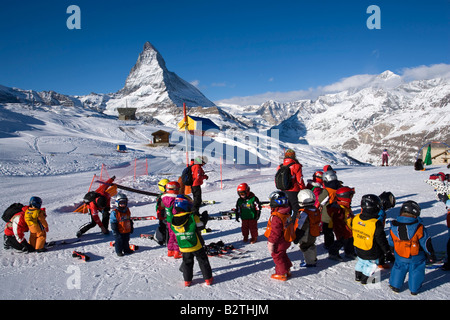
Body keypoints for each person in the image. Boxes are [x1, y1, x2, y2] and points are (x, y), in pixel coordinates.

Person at [388, 200, 436, 294]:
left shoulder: (394, 226)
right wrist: (430, 254)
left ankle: (395, 285)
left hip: (400, 254)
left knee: (398, 268)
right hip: (416, 256)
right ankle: (414, 289)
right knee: (416, 271)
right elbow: (426, 243)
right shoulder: (419, 228)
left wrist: (392, 249)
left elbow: (391, 240)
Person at [170, 194, 213, 287]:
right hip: (196, 245)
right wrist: (204, 218)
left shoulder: (173, 220)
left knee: (187, 263)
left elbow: (175, 229)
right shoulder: (192, 217)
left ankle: (187, 281)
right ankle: (208, 279)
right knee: (203, 261)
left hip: (184, 246)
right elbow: (200, 226)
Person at [352, 194, 394, 285]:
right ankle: (365, 279)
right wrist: (387, 251)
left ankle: (358, 276)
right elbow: (381, 240)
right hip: (371, 251)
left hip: (358, 247)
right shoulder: (375, 223)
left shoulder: (356, 218)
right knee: (370, 265)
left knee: (361, 261)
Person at [265, 191, 295, 281]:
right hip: (286, 239)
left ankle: (281, 273)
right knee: (283, 254)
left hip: (279, 241)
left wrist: (271, 242)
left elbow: (275, 232)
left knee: (277, 256)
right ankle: (287, 269)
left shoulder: (277, 216)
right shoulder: (286, 213)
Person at [328, 187, 356, 261]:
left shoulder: (346, 205)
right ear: (345, 197)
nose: (352, 197)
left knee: (350, 239)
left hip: (348, 227)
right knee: (341, 241)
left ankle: (349, 252)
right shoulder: (339, 208)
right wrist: (342, 229)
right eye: (350, 195)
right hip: (342, 228)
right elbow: (338, 220)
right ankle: (333, 253)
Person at [295, 189, 321, 267]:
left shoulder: (304, 213)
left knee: (305, 246)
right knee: (311, 245)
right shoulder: (315, 210)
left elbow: (301, 226)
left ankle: (310, 262)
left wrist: (296, 237)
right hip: (314, 232)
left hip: (306, 234)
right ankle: (313, 259)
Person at [276, 149, 305, 217]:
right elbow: (299, 180)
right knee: (297, 210)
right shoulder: (297, 166)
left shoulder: (280, 166)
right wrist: (303, 189)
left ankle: (286, 226)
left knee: (286, 210)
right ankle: (294, 226)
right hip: (293, 191)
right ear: (294, 156)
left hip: (283, 191)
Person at [161, 181, 182, 259]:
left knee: (171, 235)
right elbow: (175, 210)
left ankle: (170, 250)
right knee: (177, 235)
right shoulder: (174, 199)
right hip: (175, 219)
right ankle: (177, 251)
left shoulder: (165, 198)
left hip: (169, 219)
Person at [322, 170, 341, 250]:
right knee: (339, 228)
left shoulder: (326, 190)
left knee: (327, 231)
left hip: (327, 215)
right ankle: (341, 242)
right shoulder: (340, 187)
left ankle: (329, 244)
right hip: (339, 212)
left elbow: (321, 201)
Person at [155, 178, 169, 245]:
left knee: (164, 227)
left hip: (163, 215)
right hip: (163, 215)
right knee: (165, 227)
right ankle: (164, 239)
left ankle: (162, 238)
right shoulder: (163, 196)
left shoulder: (162, 196)